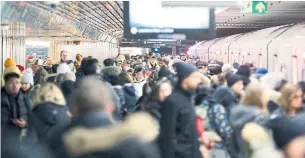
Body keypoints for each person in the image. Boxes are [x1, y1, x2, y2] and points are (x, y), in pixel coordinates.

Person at [158, 62, 203, 158]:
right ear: (185, 78)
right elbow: (167, 135)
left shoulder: (188, 98)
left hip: (191, 153)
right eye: (195, 77)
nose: (199, 80)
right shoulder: (172, 101)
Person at [1, 66, 33, 151]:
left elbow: (33, 118)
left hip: (20, 142)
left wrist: (26, 124)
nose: (15, 85)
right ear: (5, 83)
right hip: (3, 142)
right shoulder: (2, 98)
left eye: (17, 82)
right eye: (11, 82)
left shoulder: (26, 99)